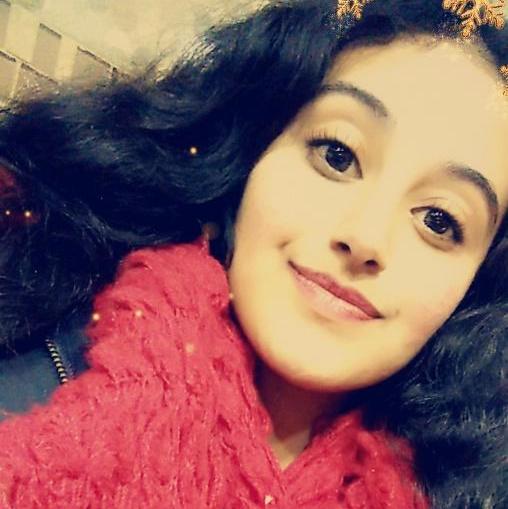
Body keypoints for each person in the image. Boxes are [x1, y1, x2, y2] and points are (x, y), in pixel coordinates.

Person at [0, 0, 505, 507]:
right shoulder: (24, 363)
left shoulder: (464, 490)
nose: (366, 237)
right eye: (337, 155)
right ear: (249, 154)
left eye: (439, 220)